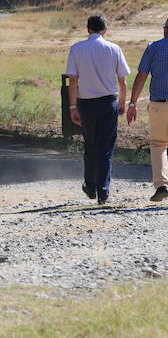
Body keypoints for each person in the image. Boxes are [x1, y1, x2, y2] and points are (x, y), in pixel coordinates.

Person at [66, 13, 130, 204]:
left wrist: (72, 106)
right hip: (108, 102)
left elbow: (73, 81)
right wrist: (122, 103)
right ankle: (103, 191)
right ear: (105, 30)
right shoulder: (114, 48)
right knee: (106, 148)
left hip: (86, 103)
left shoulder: (76, 49)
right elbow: (123, 80)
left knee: (90, 145)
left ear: (88, 29)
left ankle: (90, 184)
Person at [127, 17, 168, 202]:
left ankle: (162, 185)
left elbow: (141, 75)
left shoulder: (153, 47)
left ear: (166, 29)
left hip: (159, 105)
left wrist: (133, 103)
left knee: (159, 144)